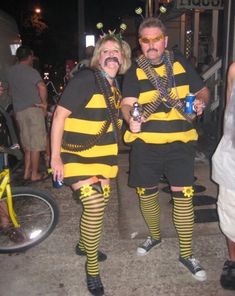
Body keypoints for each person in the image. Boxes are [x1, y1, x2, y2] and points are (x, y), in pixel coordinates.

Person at [121, 17, 209, 282]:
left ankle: (186, 253)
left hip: (180, 142)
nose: (151, 45)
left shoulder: (181, 64)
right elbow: (127, 104)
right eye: (145, 40)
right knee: (145, 194)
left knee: (183, 195)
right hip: (146, 144)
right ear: (140, 43)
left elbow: (203, 91)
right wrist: (130, 118)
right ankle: (155, 236)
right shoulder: (134, 71)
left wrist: (200, 103)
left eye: (156, 39)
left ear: (165, 40)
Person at [50, 35, 131, 295]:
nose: (110, 55)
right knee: (95, 205)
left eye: (115, 51)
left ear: (123, 57)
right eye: (105, 51)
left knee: (100, 204)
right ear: (98, 57)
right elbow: (59, 116)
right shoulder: (86, 79)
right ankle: (92, 267)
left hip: (104, 156)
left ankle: (85, 244)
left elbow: (113, 122)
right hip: (76, 154)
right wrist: (54, 157)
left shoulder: (114, 85)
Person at [7, 45, 48, 182]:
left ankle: (26, 172)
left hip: (19, 112)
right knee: (36, 144)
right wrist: (44, 103)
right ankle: (35, 174)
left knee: (27, 144)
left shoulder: (11, 72)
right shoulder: (31, 71)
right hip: (33, 109)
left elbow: (10, 92)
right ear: (30, 57)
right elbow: (41, 86)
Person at [212, 61, 235, 291]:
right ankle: (233, 261)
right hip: (232, 159)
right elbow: (229, 109)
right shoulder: (234, 69)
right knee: (230, 216)